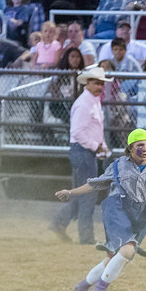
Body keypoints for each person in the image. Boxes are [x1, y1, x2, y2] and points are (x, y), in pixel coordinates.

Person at [60, 128, 146, 291]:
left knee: (114, 257)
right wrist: (71, 192)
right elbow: (96, 184)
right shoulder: (118, 165)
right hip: (116, 209)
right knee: (128, 250)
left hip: (140, 217)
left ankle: (81, 287)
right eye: (140, 145)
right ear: (130, 148)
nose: (145, 148)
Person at [51, 66, 114, 245]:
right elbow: (77, 133)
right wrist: (97, 147)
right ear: (88, 83)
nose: (99, 87)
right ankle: (86, 237)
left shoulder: (91, 101)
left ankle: (59, 222)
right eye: (96, 83)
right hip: (83, 151)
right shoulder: (84, 103)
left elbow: (92, 130)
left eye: (101, 83)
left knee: (83, 193)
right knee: (88, 193)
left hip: (85, 152)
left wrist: (102, 148)